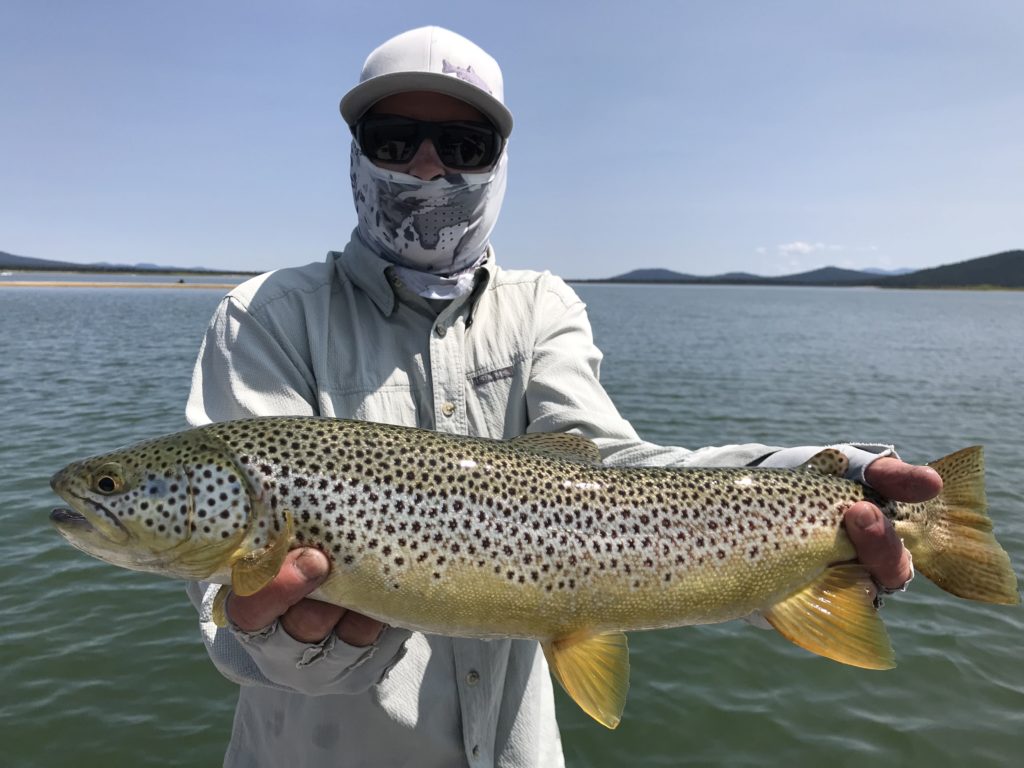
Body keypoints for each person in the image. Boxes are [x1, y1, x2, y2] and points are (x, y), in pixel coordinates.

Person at [185, 26, 938, 768]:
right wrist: (276, 636)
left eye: (463, 147)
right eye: (393, 138)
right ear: (356, 151)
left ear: (499, 164)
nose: (425, 166)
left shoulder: (543, 305)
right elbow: (232, 612)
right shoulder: (265, 316)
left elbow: (614, 471)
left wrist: (825, 475)